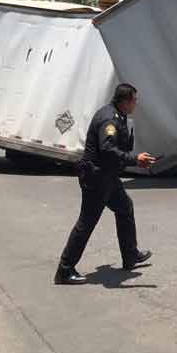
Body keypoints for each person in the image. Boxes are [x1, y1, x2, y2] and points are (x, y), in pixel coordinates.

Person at [55, 83, 157, 285]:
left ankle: (130, 255)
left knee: (125, 207)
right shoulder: (109, 120)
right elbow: (107, 149)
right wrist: (135, 160)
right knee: (86, 223)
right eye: (134, 100)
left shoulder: (118, 114)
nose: (136, 104)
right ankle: (64, 270)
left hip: (107, 176)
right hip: (96, 178)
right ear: (125, 101)